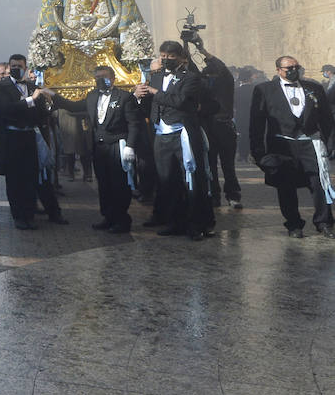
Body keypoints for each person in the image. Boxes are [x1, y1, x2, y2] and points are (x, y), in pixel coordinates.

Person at [133, 40, 216, 241]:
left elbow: (180, 102)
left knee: (192, 179)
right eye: (163, 56)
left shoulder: (191, 78)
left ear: (180, 58)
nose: (166, 60)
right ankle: (175, 221)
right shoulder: (155, 77)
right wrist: (138, 96)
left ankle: (198, 223)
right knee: (167, 181)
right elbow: (149, 107)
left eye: (171, 57)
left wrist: (156, 94)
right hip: (162, 135)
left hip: (183, 134)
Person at [249, 56, 335, 238]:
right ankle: (294, 224)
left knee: (320, 183)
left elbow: (326, 119)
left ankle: (324, 222)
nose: (293, 70)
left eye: (296, 67)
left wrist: (330, 144)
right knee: (286, 187)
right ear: (278, 70)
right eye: (289, 68)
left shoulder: (315, 88)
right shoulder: (264, 90)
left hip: (310, 143)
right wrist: (258, 152)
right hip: (282, 145)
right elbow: (257, 123)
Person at [57, 65, 145, 233]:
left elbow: (134, 123)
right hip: (99, 146)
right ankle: (108, 216)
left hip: (117, 145)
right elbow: (74, 107)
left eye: (103, 77)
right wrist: (53, 96)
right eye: (96, 77)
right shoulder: (92, 96)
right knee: (104, 184)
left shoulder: (124, 97)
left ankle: (121, 220)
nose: (99, 80)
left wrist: (131, 146)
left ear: (112, 79)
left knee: (119, 184)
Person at [0, 53, 66, 229]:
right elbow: (5, 110)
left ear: (25, 66)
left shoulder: (32, 86)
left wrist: (48, 103)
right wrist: (31, 99)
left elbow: (41, 112)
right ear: (9, 68)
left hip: (31, 136)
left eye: (20, 66)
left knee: (33, 177)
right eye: (13, 66)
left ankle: (31, 213)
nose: (17, 69)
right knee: (15, 180)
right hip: (12, 139)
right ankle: (19, 216)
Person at [190, 35, 241, 210]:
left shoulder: (225, 83)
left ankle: (231, 195)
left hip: (223, 125)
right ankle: (216, 195)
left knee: (227, 166)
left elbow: (221, 67)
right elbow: (192, 72)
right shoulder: (201, 85)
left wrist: (202, 50)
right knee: (210, 165)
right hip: (208, 128)